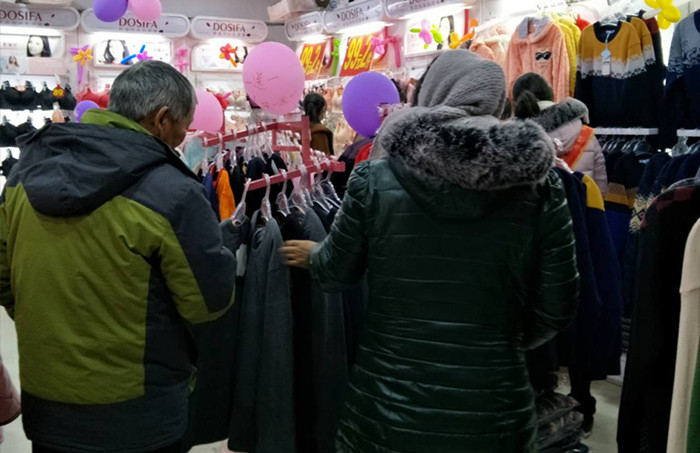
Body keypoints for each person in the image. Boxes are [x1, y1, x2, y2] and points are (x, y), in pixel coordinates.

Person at [282, 50, 580, 453]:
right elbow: (558, 305)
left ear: (430, 95)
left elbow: (337, 270)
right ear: (496, 101)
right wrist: (497, 340)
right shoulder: (540, 187)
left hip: (388, 407)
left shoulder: (374, 179)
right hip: (493, 410)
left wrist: (314, 255)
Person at [0, 60, 237, 452]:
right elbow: (208, 302)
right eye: (184, 126)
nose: (185, 137)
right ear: (162, 119)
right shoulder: (173, 192)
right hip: (139, 412)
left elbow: (5, 280)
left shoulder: (25, 173)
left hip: (49, 406)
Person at [513, 72, 608, 195]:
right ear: (551, 95)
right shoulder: (586, 134)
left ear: (515, 102)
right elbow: (600, 186)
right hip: (580, 205)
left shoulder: (512, 141)